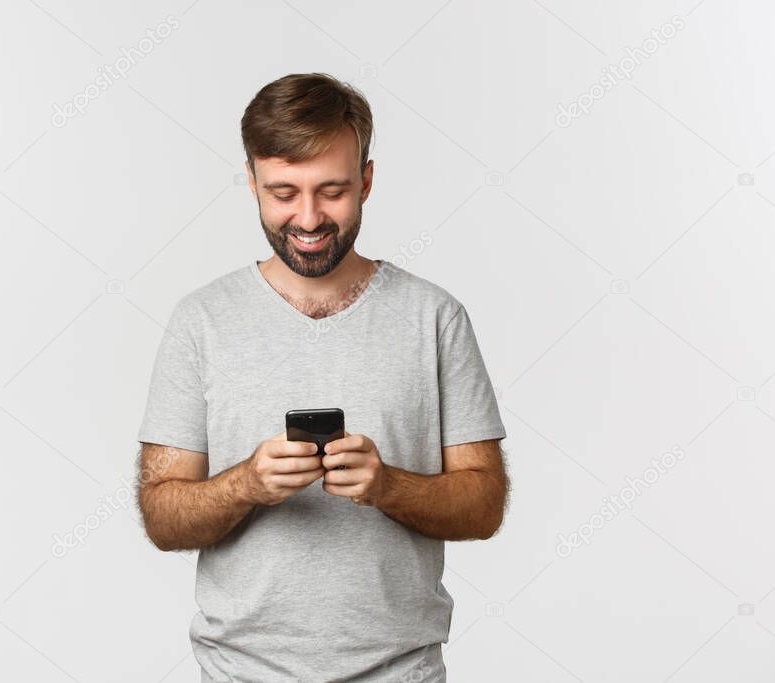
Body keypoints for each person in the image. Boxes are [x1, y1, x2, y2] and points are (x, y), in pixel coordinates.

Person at [136, 72, 508, 682]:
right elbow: (162, 514)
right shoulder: (200, 321)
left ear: (366, 179)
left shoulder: (434, 317)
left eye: (331, 191)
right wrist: (246, 484)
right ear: (251, 181)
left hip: (401, 672)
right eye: (283, 192)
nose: (307, 218)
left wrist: (386, 485)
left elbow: (485, 504)